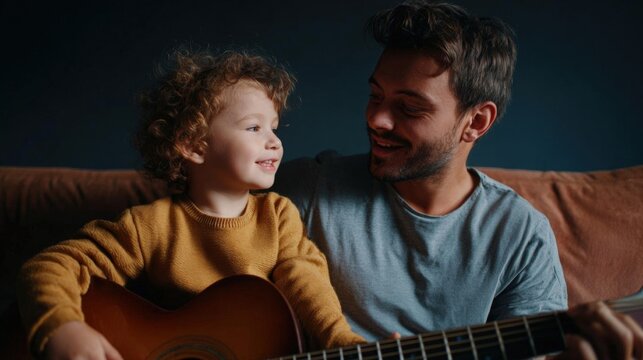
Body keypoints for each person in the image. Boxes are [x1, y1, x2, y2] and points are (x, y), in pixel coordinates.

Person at [273, 1, 643, 358]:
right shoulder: (307, 190)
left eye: (409, 107)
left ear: (476, 122)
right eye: (376, 96)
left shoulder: (521, 235)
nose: (377, 119)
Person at [16, 49, 365, 359]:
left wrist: (339, 340)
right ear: (195, 146)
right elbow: (51, 265)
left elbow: (306, 281)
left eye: (274, 128)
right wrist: (61, 327)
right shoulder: (149, 226)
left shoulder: (277, 216)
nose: (274, 142)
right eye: (254, 128)